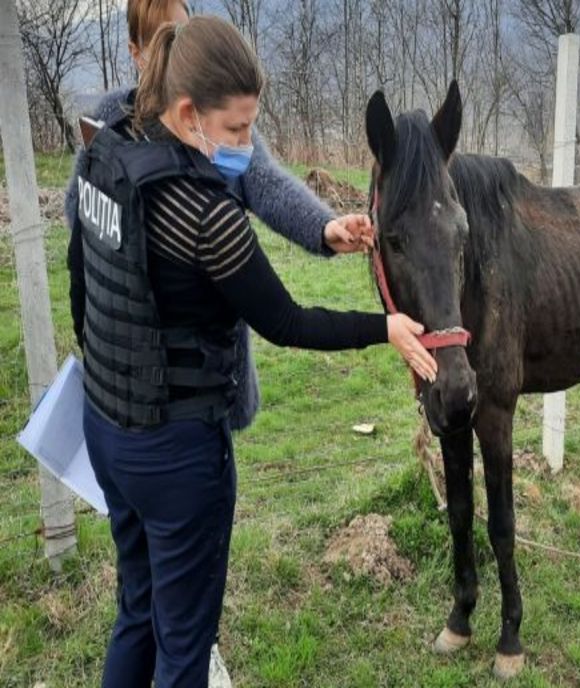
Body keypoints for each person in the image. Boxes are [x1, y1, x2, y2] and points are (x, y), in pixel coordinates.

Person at [69, 16, 437, 687]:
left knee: (137, 608)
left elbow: (82, 277)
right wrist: (385, 328)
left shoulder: (105, 152)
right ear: (187, 112)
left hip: (105, 425)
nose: (247, 148)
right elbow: (288, 321)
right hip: (179, 454)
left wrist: (324, 229)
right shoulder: (206, 217)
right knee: (184, 644)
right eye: (237, 132)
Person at [65, 0, 369, 433]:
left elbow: (265, 183)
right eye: (163, 39)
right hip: (131, 376)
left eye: (187, 33)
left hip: (208, 374)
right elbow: (82, 227)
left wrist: (322, 227)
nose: (181, 51)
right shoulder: (110, 125)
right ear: (136, 52)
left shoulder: (222, 124)